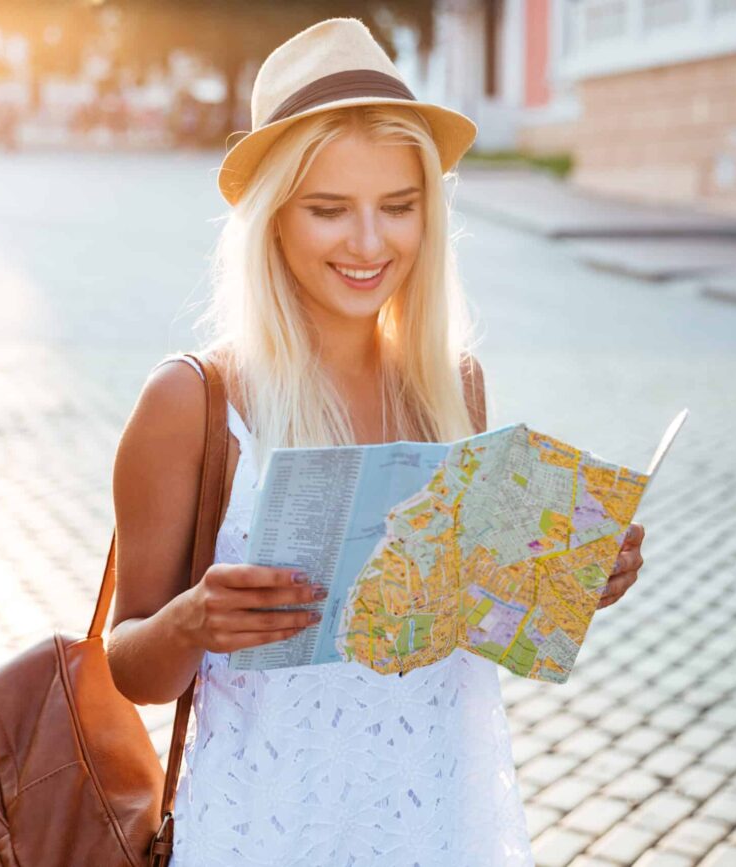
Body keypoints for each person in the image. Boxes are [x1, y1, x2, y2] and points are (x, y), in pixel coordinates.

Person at [106, 17, 647, 866]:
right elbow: (128, 669)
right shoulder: (193, 401)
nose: (370, 244)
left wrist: (568, 573)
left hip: (437, 808)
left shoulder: (453, 385)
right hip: (267, 822)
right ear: (274, 218)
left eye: (398, 207)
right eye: (329, 211)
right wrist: (191, 622)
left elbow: (471, 610)